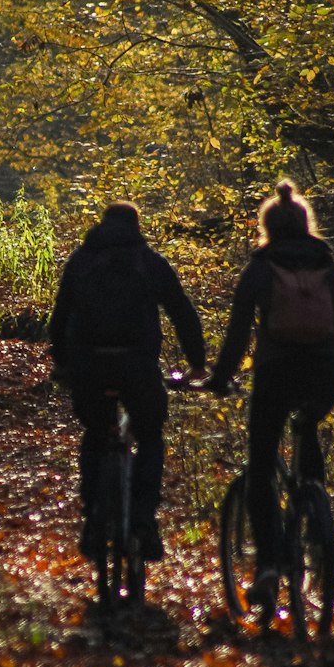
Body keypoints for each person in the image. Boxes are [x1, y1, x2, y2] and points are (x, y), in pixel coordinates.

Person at [207, 180, 334, 612]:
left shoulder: (261, 269)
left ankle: (268, 565)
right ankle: (316, 522)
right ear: (307, 224)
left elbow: (236, 335)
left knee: (262, 462)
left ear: (267, 225)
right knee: (308, 430)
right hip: (325, 371)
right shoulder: (330, 266)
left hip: (276, 372)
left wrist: (220, 377)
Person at [49, 201, 207, 561]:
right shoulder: (150, 262)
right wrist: (196, 363)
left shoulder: (81, 261)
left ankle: (93, 521)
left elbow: (59, 317)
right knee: (149, 435)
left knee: (95, 434)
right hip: (138, 367)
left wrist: (62, 362)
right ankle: (144, 521)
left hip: (90, 366)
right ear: (136, 226)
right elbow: (181, 311)